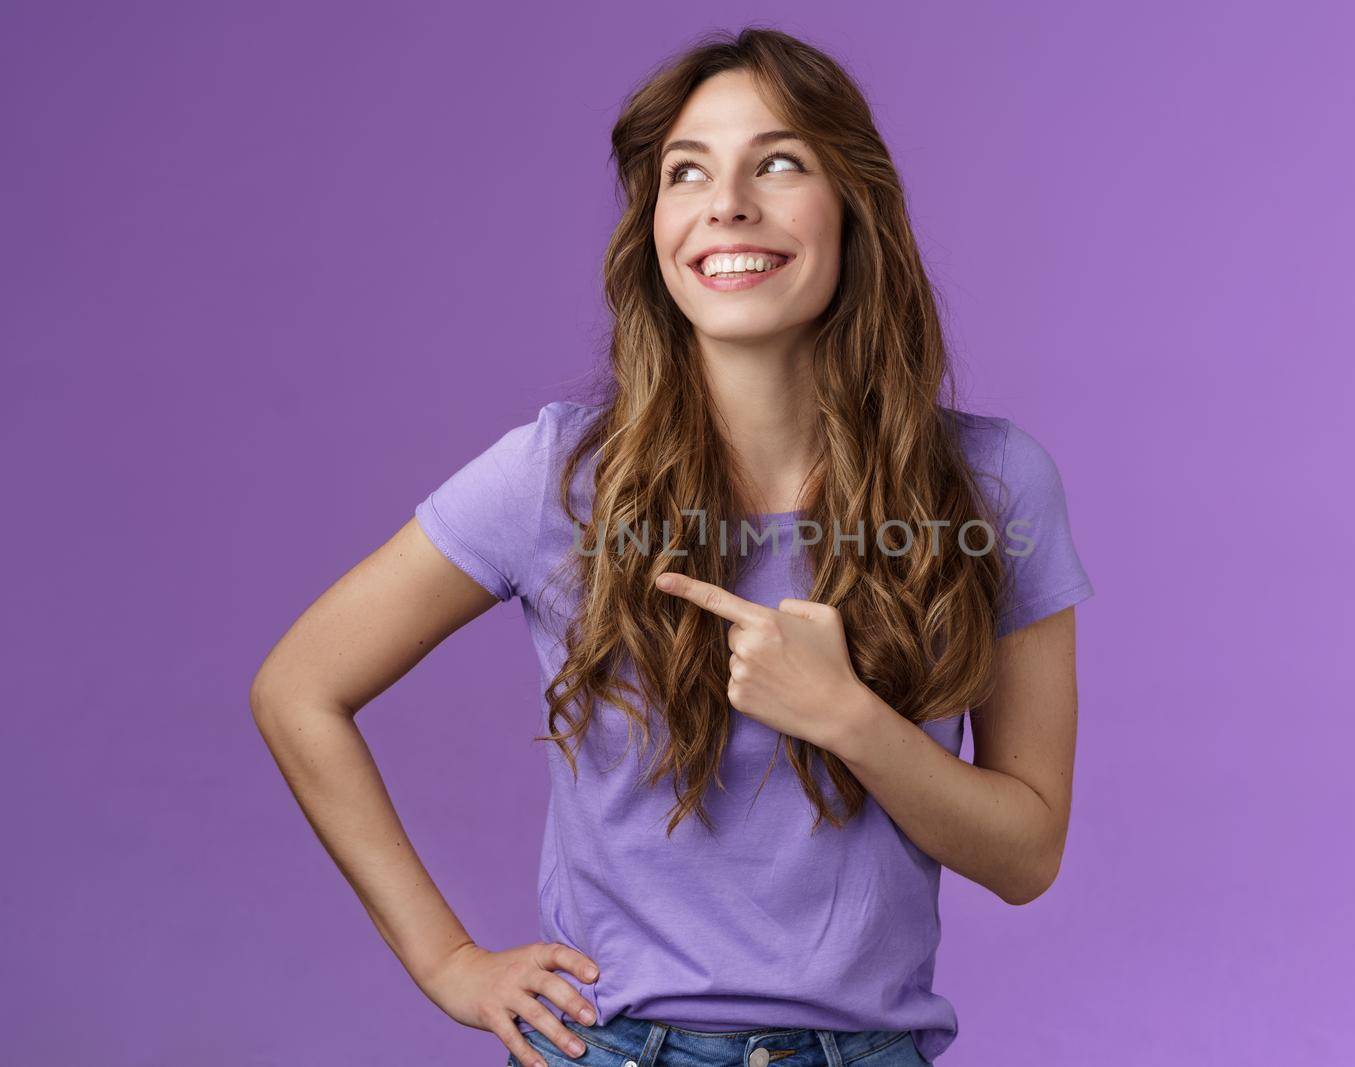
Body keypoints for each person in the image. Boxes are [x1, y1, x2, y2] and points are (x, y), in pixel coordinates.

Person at [250, 26, 1093, 1067]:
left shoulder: (994, 485)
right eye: (686, 172)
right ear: (656, 229)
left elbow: (1025, 852)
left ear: (852, 205)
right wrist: (446, 959)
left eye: (777, 163)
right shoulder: (556, 477)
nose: (726, 203)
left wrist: (847, 717)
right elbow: (298, 687)